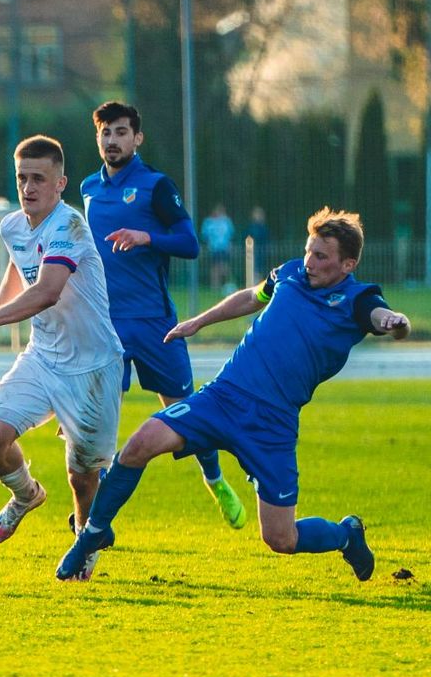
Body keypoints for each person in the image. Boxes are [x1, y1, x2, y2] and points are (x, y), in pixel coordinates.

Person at [57, 206, 412, 582]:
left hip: (271, 424)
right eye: (308, 250)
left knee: (280, 537)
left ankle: (346, 535)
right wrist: (199, 322)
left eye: (321, 256)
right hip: (223, 397)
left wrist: (396, 324)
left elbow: (381, 318)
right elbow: (251, 297)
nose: (309, 261)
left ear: (347, 265)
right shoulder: (290, 273)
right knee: (140, 443)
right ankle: (91, 536)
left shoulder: (358, 300)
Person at [0, 135, 123, 581]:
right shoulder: (13, 226)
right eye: (22, 177)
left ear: (60, 183)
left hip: (93, 368)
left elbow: (46, 291)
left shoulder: (70, 227)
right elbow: (18, 266)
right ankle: (25, 495)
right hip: (43, 357)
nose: (28, 187)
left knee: (82, 476)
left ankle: (83, 541)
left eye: (39, 179)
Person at [79, 101, 245, 532]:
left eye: (120, 132)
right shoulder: (87, 189)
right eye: (105, 133)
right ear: (97, 138)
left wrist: (145, 236)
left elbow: (189, 243)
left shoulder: (155, 186)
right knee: (98, 422)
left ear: (137, 139)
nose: (112, 140)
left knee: (185, 413)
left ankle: (215, 479)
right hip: (105, 326)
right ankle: (91, 516)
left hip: (155, 323)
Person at [200, 203, 236, 291]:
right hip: (214, 248)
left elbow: (231, 234)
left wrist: (230, 244)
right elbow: (205, 235)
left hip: (224, 248)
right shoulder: (209, 222)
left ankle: (227, 284)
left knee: (224, 266)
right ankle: (215, 286)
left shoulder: (227, 221)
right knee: (215, 267)